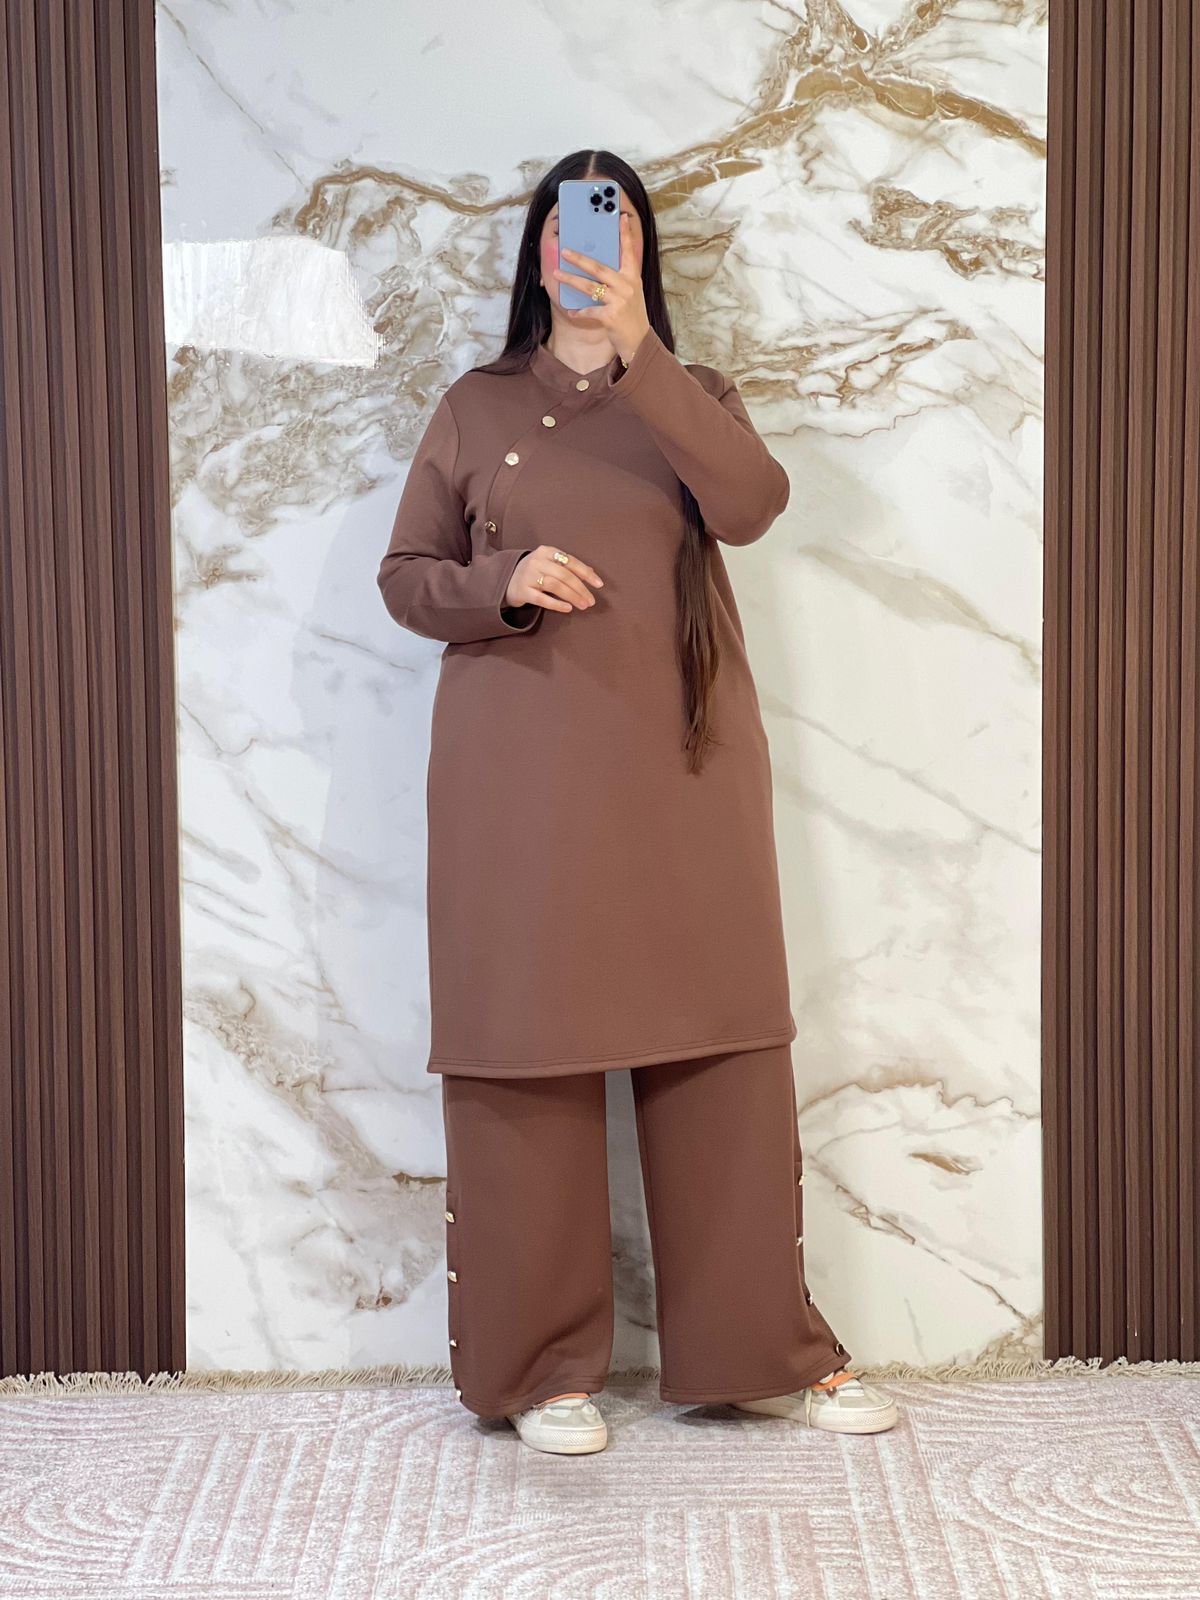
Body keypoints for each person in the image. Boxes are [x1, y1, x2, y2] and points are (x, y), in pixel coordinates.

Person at [376, 150, 898, 1455]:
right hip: (517, 785)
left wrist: (640, 356)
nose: (586, 251)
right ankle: (537, 1371)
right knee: (526, 1047)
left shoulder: (691, 396)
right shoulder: (477, 406)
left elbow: (754, 505)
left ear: (643, 255)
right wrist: (499, 582)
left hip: (682, 769)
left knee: (721, 1046)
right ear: (535, 252)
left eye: (611, 231)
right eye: (566, 229)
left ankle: (755, 1353)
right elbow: (404, 575)